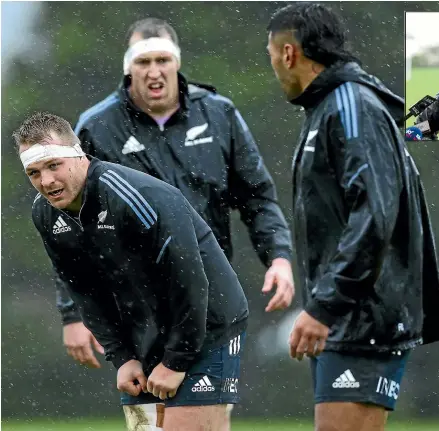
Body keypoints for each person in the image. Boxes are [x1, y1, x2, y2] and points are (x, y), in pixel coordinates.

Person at [58, 17, 295, 429]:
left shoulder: (219, 114)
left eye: (163, 60)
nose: (154, 71)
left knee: (200, 423)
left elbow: (257, 197)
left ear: (177, 62)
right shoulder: (96, 126)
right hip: (136, 311)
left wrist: (278, 256)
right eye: (144, 61)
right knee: (149, 425)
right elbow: (70, 227)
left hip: (207, 302)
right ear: (128, 68)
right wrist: (72, 313)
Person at [14, 111, 249, 431]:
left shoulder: (134, 196)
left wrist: (176, 361)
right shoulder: (45, 214)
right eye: (34, 172)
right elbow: (85, 292)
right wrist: (122, 357)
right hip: (145, 333)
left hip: (207, 323)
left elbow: (190, 282)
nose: (47, 182)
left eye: (54, 165)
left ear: (79, 155)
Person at [266, 3, 439, 431]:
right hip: (353, 313)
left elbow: (374, 217)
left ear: (289, 53)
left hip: (364, 314)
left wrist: (324, 306)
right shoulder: (332, 104)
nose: (272, 67)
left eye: (270, 54)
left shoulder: (350, 106)